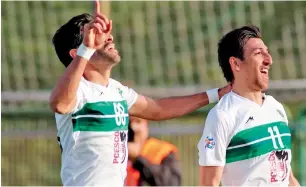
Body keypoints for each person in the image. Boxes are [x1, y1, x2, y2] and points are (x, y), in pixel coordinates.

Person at [49, 1, 231, 186]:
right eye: (96, 35)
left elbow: (158, 109)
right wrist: (86, 49)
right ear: (76, 52)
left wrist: (217, 94)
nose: (109, 38)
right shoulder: (78, 90)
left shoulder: (117, 91)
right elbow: (60, 104)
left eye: (105, 33)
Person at [197, 25, 300, 186]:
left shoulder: (276, 108)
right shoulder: (222, 116)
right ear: (236, 64)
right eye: (258, 53)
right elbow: (209, 183)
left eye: (268, 52)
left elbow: (287, 177)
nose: (269, 60)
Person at [125, 117, 181, 186]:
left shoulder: (162, 150)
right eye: (128, 123)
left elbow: (172, 183)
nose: (133, 127)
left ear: (147, 124)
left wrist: (138, 159)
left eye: (138, 121)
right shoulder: (116, 152)